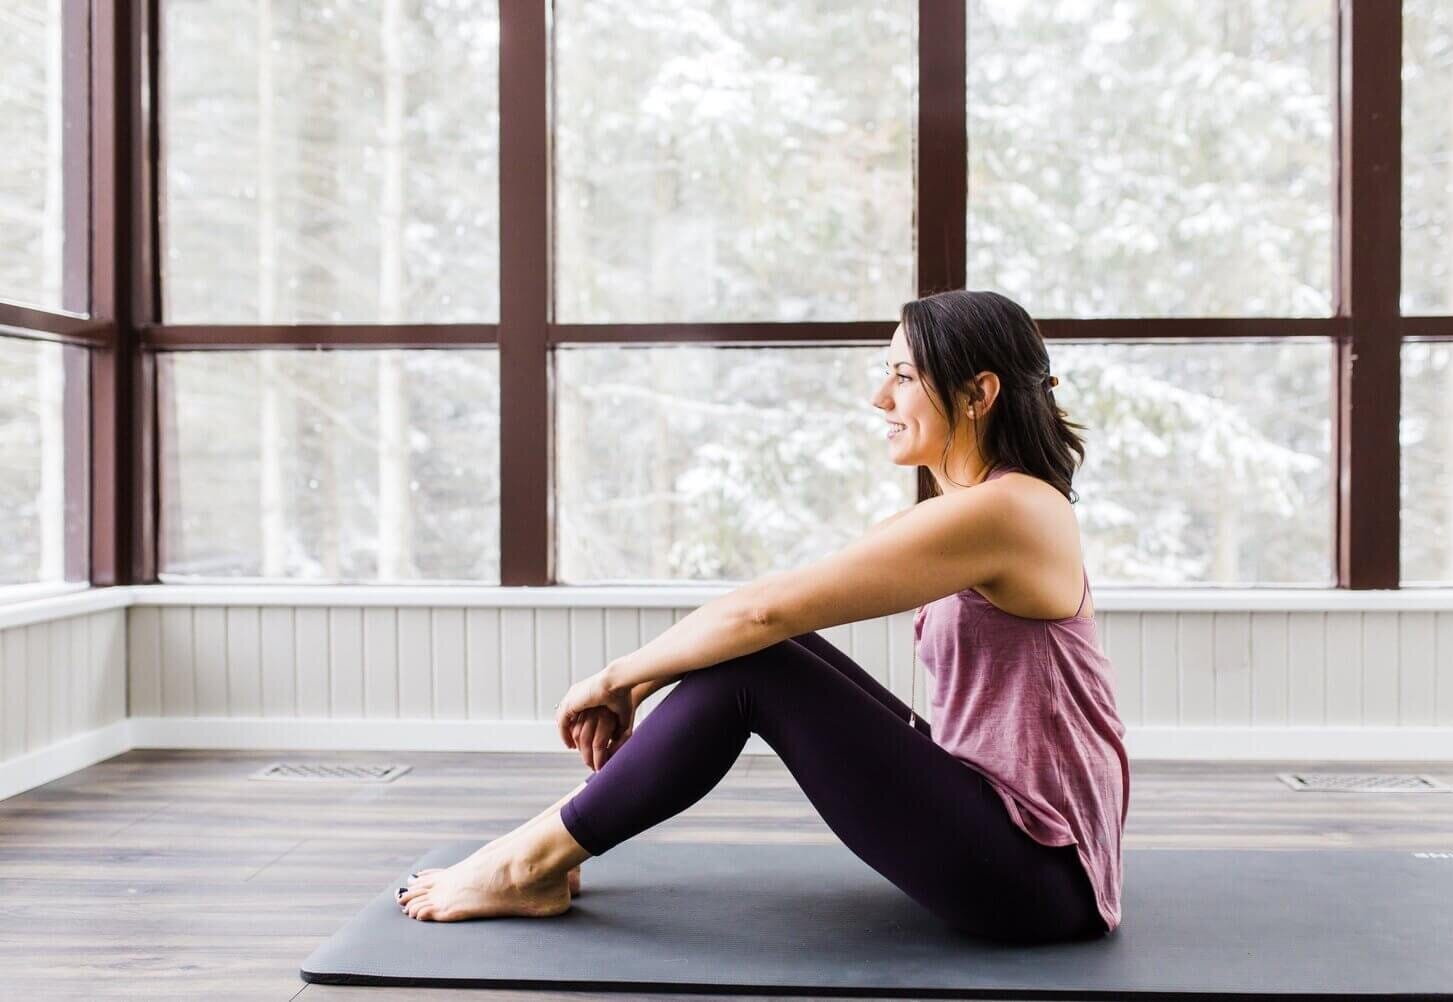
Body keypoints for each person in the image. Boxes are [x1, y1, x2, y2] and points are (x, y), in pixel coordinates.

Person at [396, 289, 1129, 944]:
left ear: (979, 393)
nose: (881, 398)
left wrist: (621, 679)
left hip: (1039, 875)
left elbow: (762, 610)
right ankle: (546, 845)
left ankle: (532, 862)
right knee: (780, 648)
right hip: (1019, 845)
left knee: (758, 664)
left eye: (904, 376)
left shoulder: (1008, 510)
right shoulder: (988, 506)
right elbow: (780, 604)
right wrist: (642, 680)